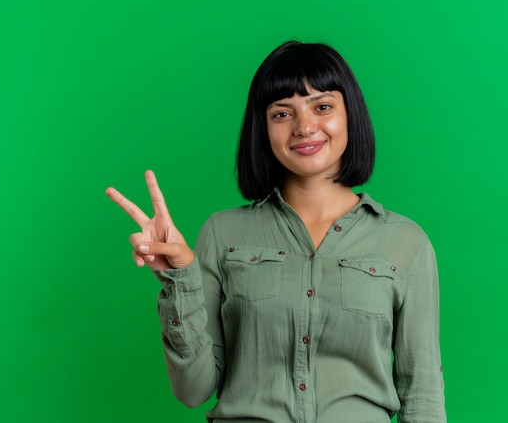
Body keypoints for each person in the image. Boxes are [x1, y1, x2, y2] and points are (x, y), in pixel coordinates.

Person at [106, 41, 446, 422]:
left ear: (350, 114)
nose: (304, 127)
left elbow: (422, 394)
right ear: (263, 129)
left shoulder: (405, 243)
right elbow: (193, 390)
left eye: (322, 106)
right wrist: (179, 279)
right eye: (282, 113)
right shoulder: (223, 233)